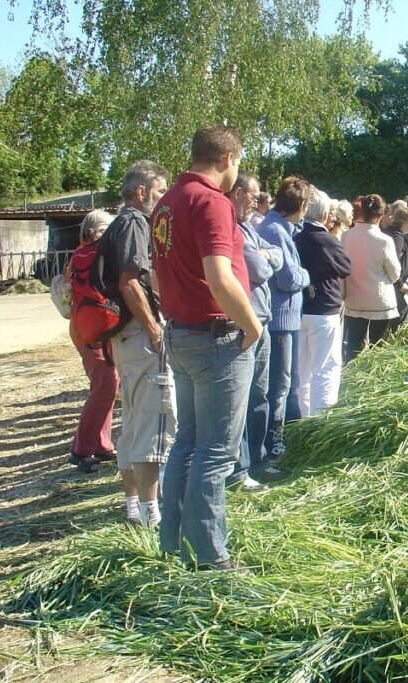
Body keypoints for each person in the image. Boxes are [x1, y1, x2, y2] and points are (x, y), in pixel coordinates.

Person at [152, 125, 261, 570]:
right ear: (226, 160)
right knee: (216, 451)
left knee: (187, 443)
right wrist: (251, 326)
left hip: (181, 333)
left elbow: (158, 276)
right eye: (237, 164)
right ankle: (210, 557)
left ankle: (173, 543)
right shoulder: (211, 202)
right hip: (217, 337)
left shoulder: (167, 203)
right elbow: (219, 276)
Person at [99, 160, 176, 527]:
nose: (164, 199)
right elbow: (130, 282)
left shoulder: (117, 223)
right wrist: (154, 328)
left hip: (124, 337)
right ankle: (151, 515)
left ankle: (133, 507)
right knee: (153, 422)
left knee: (132, 421)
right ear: (142, 192)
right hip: (140, 336)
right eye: (161, 191)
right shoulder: (133, 223)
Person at [225, 171, 280, 491]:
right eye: (255, 195)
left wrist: (267, 257)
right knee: (241, 399)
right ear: (238, 193)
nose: (259, 203)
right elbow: (260, 268)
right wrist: (266, 258)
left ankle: (258, 460)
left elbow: (278, 258)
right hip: (246, 322)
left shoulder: (247, 227)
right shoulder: (232, 228)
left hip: (263, 321)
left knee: (260, 394)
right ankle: (238, 469)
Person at [257, 176, 312, 463]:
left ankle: (286, 435)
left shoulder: (280, 227)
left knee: (287, 383)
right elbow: (290, 277)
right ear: (301, 204)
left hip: (286, 318)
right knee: (278, 385)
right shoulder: (275, 231)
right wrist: (308, 275)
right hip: (279, 319)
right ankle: (272, 446)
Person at [66, 209, 119, 475]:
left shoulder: (77, 256)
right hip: (94, 330)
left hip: (88, 327)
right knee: (105, 386)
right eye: (106, 229)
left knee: (106, 385)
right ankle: (81, 449)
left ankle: (101, 443)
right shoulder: (99, 254)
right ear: (94, 231)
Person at [294, 187, 352, 416]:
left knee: (302, 371)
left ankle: (302, 417)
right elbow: (346, 266)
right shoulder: (324, 239)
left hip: (299, 309)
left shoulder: (294, 235)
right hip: (324, 309)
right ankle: (322, 420)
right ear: (324, 213)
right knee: (325, 368)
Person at [342, 194, 401, 364]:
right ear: (381, 214)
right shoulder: (384, 240)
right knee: (378, 348)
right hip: (380, 300)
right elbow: (395, 273)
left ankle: (352, 381)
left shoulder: (346, 236)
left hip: (354, 300)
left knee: (353, 345)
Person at [381, 201, 408, 332]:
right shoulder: (397, 238)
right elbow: (393, 262)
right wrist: (401, 284)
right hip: (398, 288)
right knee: (399, 323)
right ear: (403, 222)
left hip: (393, 285)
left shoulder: (389, 233)